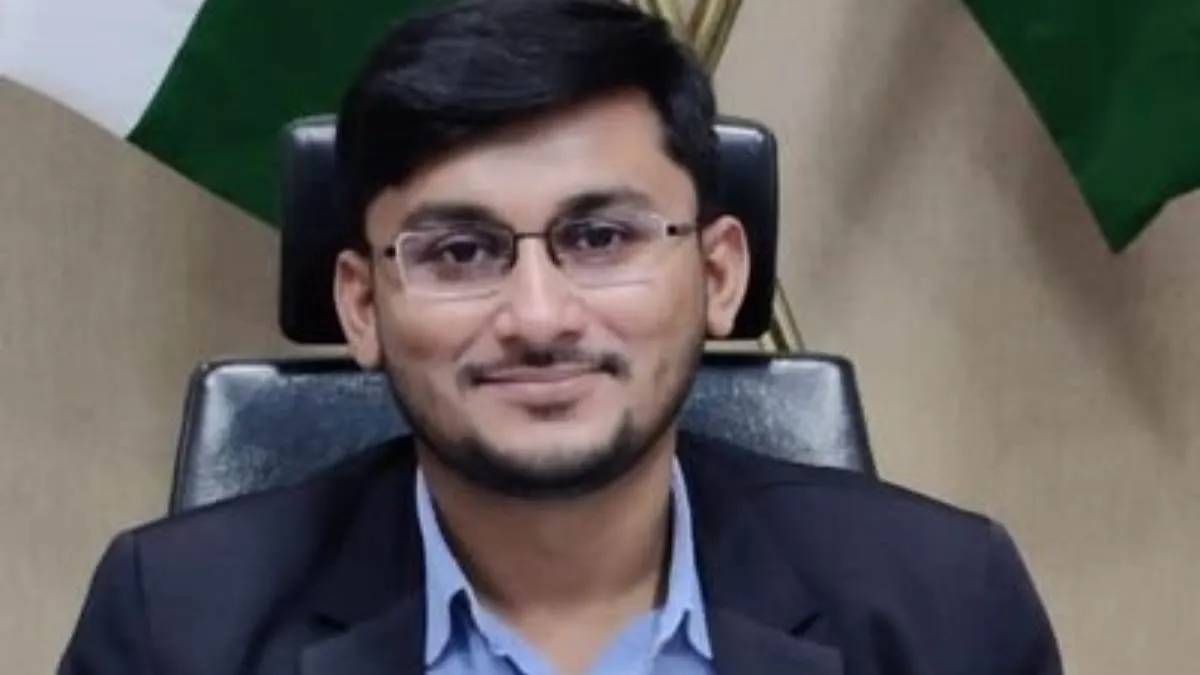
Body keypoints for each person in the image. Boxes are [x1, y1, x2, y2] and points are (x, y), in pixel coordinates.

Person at [58, 1, 1062, 673]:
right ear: (361, 306)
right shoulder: (175, 624)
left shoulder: (943, 606)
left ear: (719, 276)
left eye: (600, 238)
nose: (538, 317)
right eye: (460, 252)